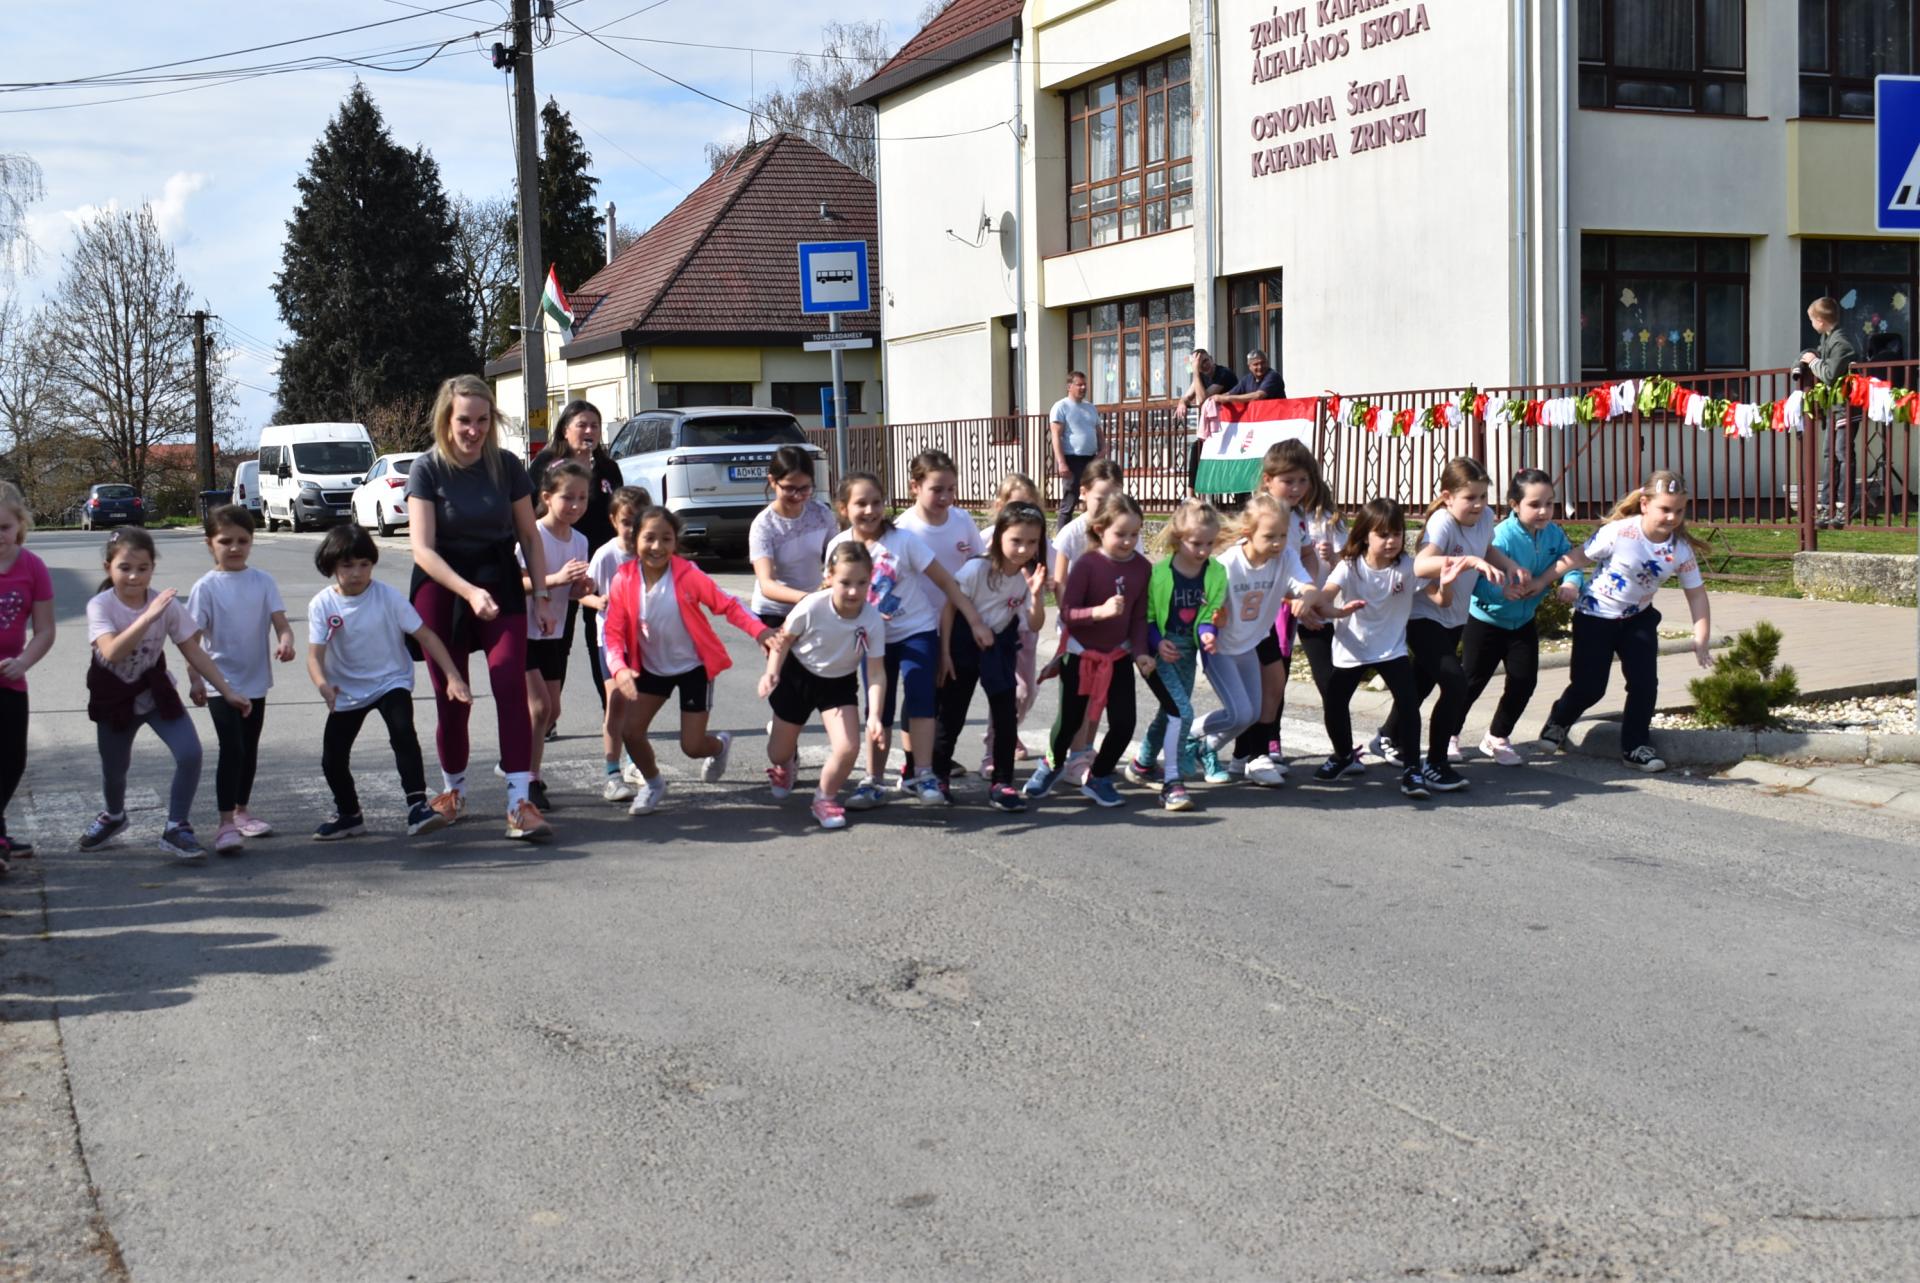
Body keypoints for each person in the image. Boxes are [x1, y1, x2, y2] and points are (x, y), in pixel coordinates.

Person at [406, 374, 553, 842]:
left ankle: (519, 803)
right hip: (441, 583)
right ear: (446, 420)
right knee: (453, 695)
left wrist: (542, 595)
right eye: (464, 421)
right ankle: (453, 792)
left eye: (483, 420)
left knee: (509, 680)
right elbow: (422, 550)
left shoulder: (507, 466)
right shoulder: (427, 469)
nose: (474, 430)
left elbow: (529, 535)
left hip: (499, 576)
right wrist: (468, 592)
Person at [80, 528, 252, 862]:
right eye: (125, 568)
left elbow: (194, 650)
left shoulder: (165, 605)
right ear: (108, 568)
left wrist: (227, 691)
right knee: (114, 768)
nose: (134, 576)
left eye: (142, 568)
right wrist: (148, 617)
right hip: (113, 698)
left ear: (152, 569)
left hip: (154, 693)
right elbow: (112, 652)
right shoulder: (100, 605)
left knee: (190, 753)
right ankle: (114, 816)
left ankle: (176, 827)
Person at [826, 471, 994, 809]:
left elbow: (947, 582)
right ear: (844, 508)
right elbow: (830, 595)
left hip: (916, 631)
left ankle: (923, 775)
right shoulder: (838, 546)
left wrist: (975, 621)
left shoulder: (903, 540)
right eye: (861, 503)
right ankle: (873, 781)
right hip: (872, 640)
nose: (870, 510)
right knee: (879, 708)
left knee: (921, 699)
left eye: (876, 502)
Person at [603, 507, 775, 816]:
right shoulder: (623, 579)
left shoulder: (687, 575)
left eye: (666, 539)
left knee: (692, 747)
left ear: (675, 542)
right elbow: (612, 632)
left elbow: (728, 605)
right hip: (651, 668)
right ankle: (653, 784)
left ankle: (719, 746)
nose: (657, 547)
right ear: (635, 539)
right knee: (631, 731)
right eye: (649, 538)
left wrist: (759, 631)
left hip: (694, 667)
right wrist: (620, 668)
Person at [1540, 471, 1714, 773]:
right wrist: (1539, 582)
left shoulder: (1680, 549)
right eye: (1665, 509)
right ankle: (1559, 721)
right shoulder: (1619, 532)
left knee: (1645, 685)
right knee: (1590, 687)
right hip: (1595, 616)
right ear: (1644, 504)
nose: (1672, 517)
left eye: (1679, 510)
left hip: (1638, 620)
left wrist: (1701, 636)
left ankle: (1635, 747)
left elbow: (1696, 594)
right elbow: (1577, 558)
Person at [307, 524, 470, 840]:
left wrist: (453, 676)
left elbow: (426, 635)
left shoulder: (387, 597)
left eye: (364, 564)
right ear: (331, 565)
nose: (357, 573)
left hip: (390, 680)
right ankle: (349, 815)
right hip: (347, 690)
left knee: (403, 732)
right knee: (332, 759)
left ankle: (417, 806)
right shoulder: (322, 605)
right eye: (348, 565)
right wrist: (323, 684)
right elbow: (314, 656)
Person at [1371, 458, 1524, 792]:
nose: (1479, 504)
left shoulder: (1485, 517)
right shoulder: (1442, 522)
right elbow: (1421, 565)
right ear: (1447, 496)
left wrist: (1509, 565)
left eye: (1483, 496)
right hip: (1423, 615)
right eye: (1470, 498)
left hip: (1454, 615)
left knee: (1421, 682)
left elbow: (1486, 548)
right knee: (1455, 683)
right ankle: (1436, 764)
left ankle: (1387, 736)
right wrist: (1469, 561)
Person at [1303, 499, 1464, 800]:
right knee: (1335, 703)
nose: (1391, 541)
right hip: (1352, 650)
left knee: (1409, 705)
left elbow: (1442, 601)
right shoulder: (1349, 567)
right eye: (1383, 534)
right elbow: (1324, 598)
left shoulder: (1408, 567)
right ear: (1366, 535)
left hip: (1391, 650)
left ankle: (1412, 769)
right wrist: (1331, 610)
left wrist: (1446, 583)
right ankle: (1343, 756)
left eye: (1397, 533)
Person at [1023, 494, 1155, 808]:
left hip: (1117, 656)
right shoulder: (1087, 564)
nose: (1128, 541)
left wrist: (1140, 652)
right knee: (1069, 722)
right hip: (1080, 655)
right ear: (1099, 529)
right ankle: (1052, 763)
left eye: (1134, 534)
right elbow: (1068, 613)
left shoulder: (1141, 568)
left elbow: (1138, 618)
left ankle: (1099, 776)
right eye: (1120, 534)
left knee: (1124, 724)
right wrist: (1099, 612)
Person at [186, 505, 295, 854]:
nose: (234, 547)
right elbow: (192, 642)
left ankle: (241, 811)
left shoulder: (263, 581)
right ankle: (225, 824)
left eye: (242, 540)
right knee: (231, 747)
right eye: (225, 541)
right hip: (220, 682)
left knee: (248, 748)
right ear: (209, 543)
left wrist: (286, 642)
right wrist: (196, 679)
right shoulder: (205, 587)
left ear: (252, 541)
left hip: (255, 680)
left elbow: (281, 623)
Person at [759, 543, 889, 831]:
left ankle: (824, 798)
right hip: (798, 677)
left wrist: (875, 716)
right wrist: (772, 673)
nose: (853, 591)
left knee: (848, 747)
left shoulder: (872, 620)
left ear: (870, 580)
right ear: (829, 577)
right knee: (777, 753)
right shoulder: (812, 606)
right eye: (845, 582)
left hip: (838, 684)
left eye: (861, 583)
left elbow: (876, 673)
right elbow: (783, 640)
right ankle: (786, 762)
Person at [1461, 469, 1583, 766]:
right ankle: (1450, 734)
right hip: (1486, 621)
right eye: (1534, 504)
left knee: (1524, 682)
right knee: (1471, 682)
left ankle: (1497, 737)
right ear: (1515, 505)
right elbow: (1477, 585)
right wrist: (1502, 593)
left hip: (1522, 623)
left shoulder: (1554, 534)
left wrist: (1571, 583)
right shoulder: (1501, 537)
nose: (1544, 511)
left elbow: (1571, 561)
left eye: (1549, 503)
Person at [1192, 493, 1315, 785]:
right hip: (1221, 647)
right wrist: (1212, 622)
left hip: (1252, 641)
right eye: (1270, 536)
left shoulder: (1285, 557)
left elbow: (1307, 586)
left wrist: (1306, 599)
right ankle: (1190, 734)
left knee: (1253, 711)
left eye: (1283, 535)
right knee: (1240, 713)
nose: (1278, 543)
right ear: (1248, 533)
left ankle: (1223, 750)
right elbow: (1202, 606)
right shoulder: (1227, 565)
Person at [932, 502, 1048, 811]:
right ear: (998, 537)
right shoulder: (977, 569)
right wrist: (945, 653)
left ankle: (1002, 783)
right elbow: (949, 606)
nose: (1023, 549)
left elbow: (1035, 624)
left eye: (1032, 542)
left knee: (1005, 713)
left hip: (998, 643)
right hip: (962, 641)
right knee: (952, 713)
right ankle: (938, 776)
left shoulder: (1027, 576)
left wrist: (1036, 595)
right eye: (1016, 540)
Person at [1246, 440, 1344, 780]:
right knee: (1273, 680)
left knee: (1326, 676)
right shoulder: (1259, 514)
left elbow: (1304, 557)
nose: (1298, 488)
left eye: (1303, 480)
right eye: (1289, 481)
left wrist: (1310, 594)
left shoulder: (1299, 515)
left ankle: (1343, 750)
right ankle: (1265, 744)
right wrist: (1294, 600)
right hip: (1267, 611)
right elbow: (1255, 568)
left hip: (1302, 603)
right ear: (1268, 480)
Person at [1125, 497, 1226, 812]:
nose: (1203, 550)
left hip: (1188, 651)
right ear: (1179, 538)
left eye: (1209, 543)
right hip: (1158, 652)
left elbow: (1210, 612)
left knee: (1168, 712)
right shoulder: (1159, 573)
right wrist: (1157, 643)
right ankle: (1173, 781)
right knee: (1182, 712)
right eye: (1196, 543)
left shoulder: (1216, 572)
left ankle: (1142, 764)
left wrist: (1208, 633)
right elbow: (1146, 617)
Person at [528, 399, 625, 703]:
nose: (589, 431)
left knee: (603, 638)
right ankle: (549, 710)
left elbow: (620, 513)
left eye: (594, 426)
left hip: (600, 564)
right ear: (565, 430)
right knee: (559, 639)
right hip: (560, 563)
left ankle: (611, 710)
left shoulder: (608, 468)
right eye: (582, 425)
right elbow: (529, 511)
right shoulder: (547, 464)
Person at [894, 448, 983, 777]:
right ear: (915, 486)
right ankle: (912, 762)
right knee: (921, 694)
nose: (945, 497)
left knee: (952, 694)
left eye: (951, 489)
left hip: (958, 622)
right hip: (918, 626)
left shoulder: (962, 520)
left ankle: (937, 755)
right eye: (936, 489)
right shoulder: (903, 529)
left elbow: (979, 563)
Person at [519, 461, 593, 812]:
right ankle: (530, 779)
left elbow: (573, 592)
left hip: (555, 632)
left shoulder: (580, 540)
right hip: (523, 630)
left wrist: (582, 587)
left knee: (553, 710)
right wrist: (557, 579)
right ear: (547, 497)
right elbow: (517, 582)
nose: (576, 505)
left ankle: (516, 760)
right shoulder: (533, 534)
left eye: (583, 497)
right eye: (568, 497)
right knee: (540, 708)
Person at [1045, 457, 1125, 781]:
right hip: (1077, 630)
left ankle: (1086, 750)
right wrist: (1080, 621)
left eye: (1114, 498)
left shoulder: (1120, 530)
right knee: (1079, 697)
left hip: (1109, 629)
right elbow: (1060, 584)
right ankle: (1071, 758)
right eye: (1100, 498)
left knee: (1099, 696)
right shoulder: (1071, 534)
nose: (1107, 505)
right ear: (1083, 493)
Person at [581, 486, 649, 801]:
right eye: (626, 522)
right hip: (611, 639)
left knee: (636, 703)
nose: (632, 528)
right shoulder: (606, 554)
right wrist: (598, 601)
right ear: (613, 521)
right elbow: (582, 592)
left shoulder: (651, 551)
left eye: (639, 521)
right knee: (617, 701)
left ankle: (633, 762)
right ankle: (612, 774)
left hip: (643, 639)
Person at [0, 482, 54, 874]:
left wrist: (23, 662)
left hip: (11, 680)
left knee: (13, 761)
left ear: (20, 525)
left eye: (4, 527)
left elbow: (45, 630)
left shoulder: (32, 567)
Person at [979, 472, 1048, 773]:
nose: (1023, 513)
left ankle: (1009, 731)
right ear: (1000, 506)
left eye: (1030, 506)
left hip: (1026, 628)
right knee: (1006, 693)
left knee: (1027, 692)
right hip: (996, 629)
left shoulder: (1040, 542)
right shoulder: (986, 539)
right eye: (1016, 505)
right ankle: (993, 751)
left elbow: (1056, 569)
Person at [748, 445, 838, 630]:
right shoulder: (763, 525)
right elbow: (766, 584)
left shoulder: (821, 513)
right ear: (773, 481)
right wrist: (807, 599)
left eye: (805, 488)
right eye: (789, 488)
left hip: (814, 608)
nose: (797, 495)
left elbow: (839, 559)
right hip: (774, 613)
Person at [1800, 296, 1859, 528]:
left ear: (1820, 321)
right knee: (1829, 455)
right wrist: (1805, 360)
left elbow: (1830, 374)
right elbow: (1818, 357)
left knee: (1843, 455)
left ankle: (1844, 506)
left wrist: (1813, 362)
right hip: (1835, 407)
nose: (1811, 324)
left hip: (1846, 407)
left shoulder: (1841, 342)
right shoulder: (1828, 339)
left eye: (1811, 320)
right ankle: (1826, 505)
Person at [1175, 350, 1238, 494]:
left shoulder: (1224, 374)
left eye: (1205, 361)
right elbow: (1187, 396)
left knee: (1233, 464)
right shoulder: (1200, 377)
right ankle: (1190, 496)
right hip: (1216, 429)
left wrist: (1195, 372)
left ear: (1211, 358)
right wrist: (1182, 402)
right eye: (1199, 364)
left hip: (1233, 427)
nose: (1204, 365)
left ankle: (1240, 498)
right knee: (1196, 450)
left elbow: (1203, 399)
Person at [1049, 371, 1103, 531]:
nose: (1083, 387)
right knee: (1069, 501)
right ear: (1069, 386)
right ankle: (1061, 538)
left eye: (1084, 384)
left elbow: (1098, 432)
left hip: (1091, 460)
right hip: (1072, 459)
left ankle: (1090, 536)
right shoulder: (1061, 407)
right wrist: (1061, 463)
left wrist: (1103, 450)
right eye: (1079, 384)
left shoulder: (1090, 408)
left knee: (1094, 498)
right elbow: (1056, 436)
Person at [1212, 349, 1284, 405]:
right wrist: (1213, 400)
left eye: (1263, 363)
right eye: (1256, 364)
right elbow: (1230, 393)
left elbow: (1258, 396)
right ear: (1249, 366)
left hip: (1277, 417)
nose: (1260, 367)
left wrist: (1227, 399)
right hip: (1257, 418)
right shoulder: (1247, 379)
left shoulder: (1273, 376)